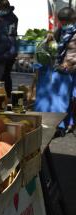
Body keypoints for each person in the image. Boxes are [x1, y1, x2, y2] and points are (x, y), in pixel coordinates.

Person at [53, 7, 76, 136]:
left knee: (72, 98)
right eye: (62, 22)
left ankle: (70, 123)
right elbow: (57, 46)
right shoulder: (61, 31)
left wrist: (70, 63)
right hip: (63, 69)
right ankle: (64, 124)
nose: (63, 25)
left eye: (66, 22)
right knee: (64, 98)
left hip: (72, 69)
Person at [0, 0, 18, 98]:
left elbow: (9, 35)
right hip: (1, 50)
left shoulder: (12, 18)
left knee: (5, 74)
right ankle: (2, 96)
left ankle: (7, 96)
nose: (0, 10)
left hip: (8, 50)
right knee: (1, 75)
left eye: (2, 9)